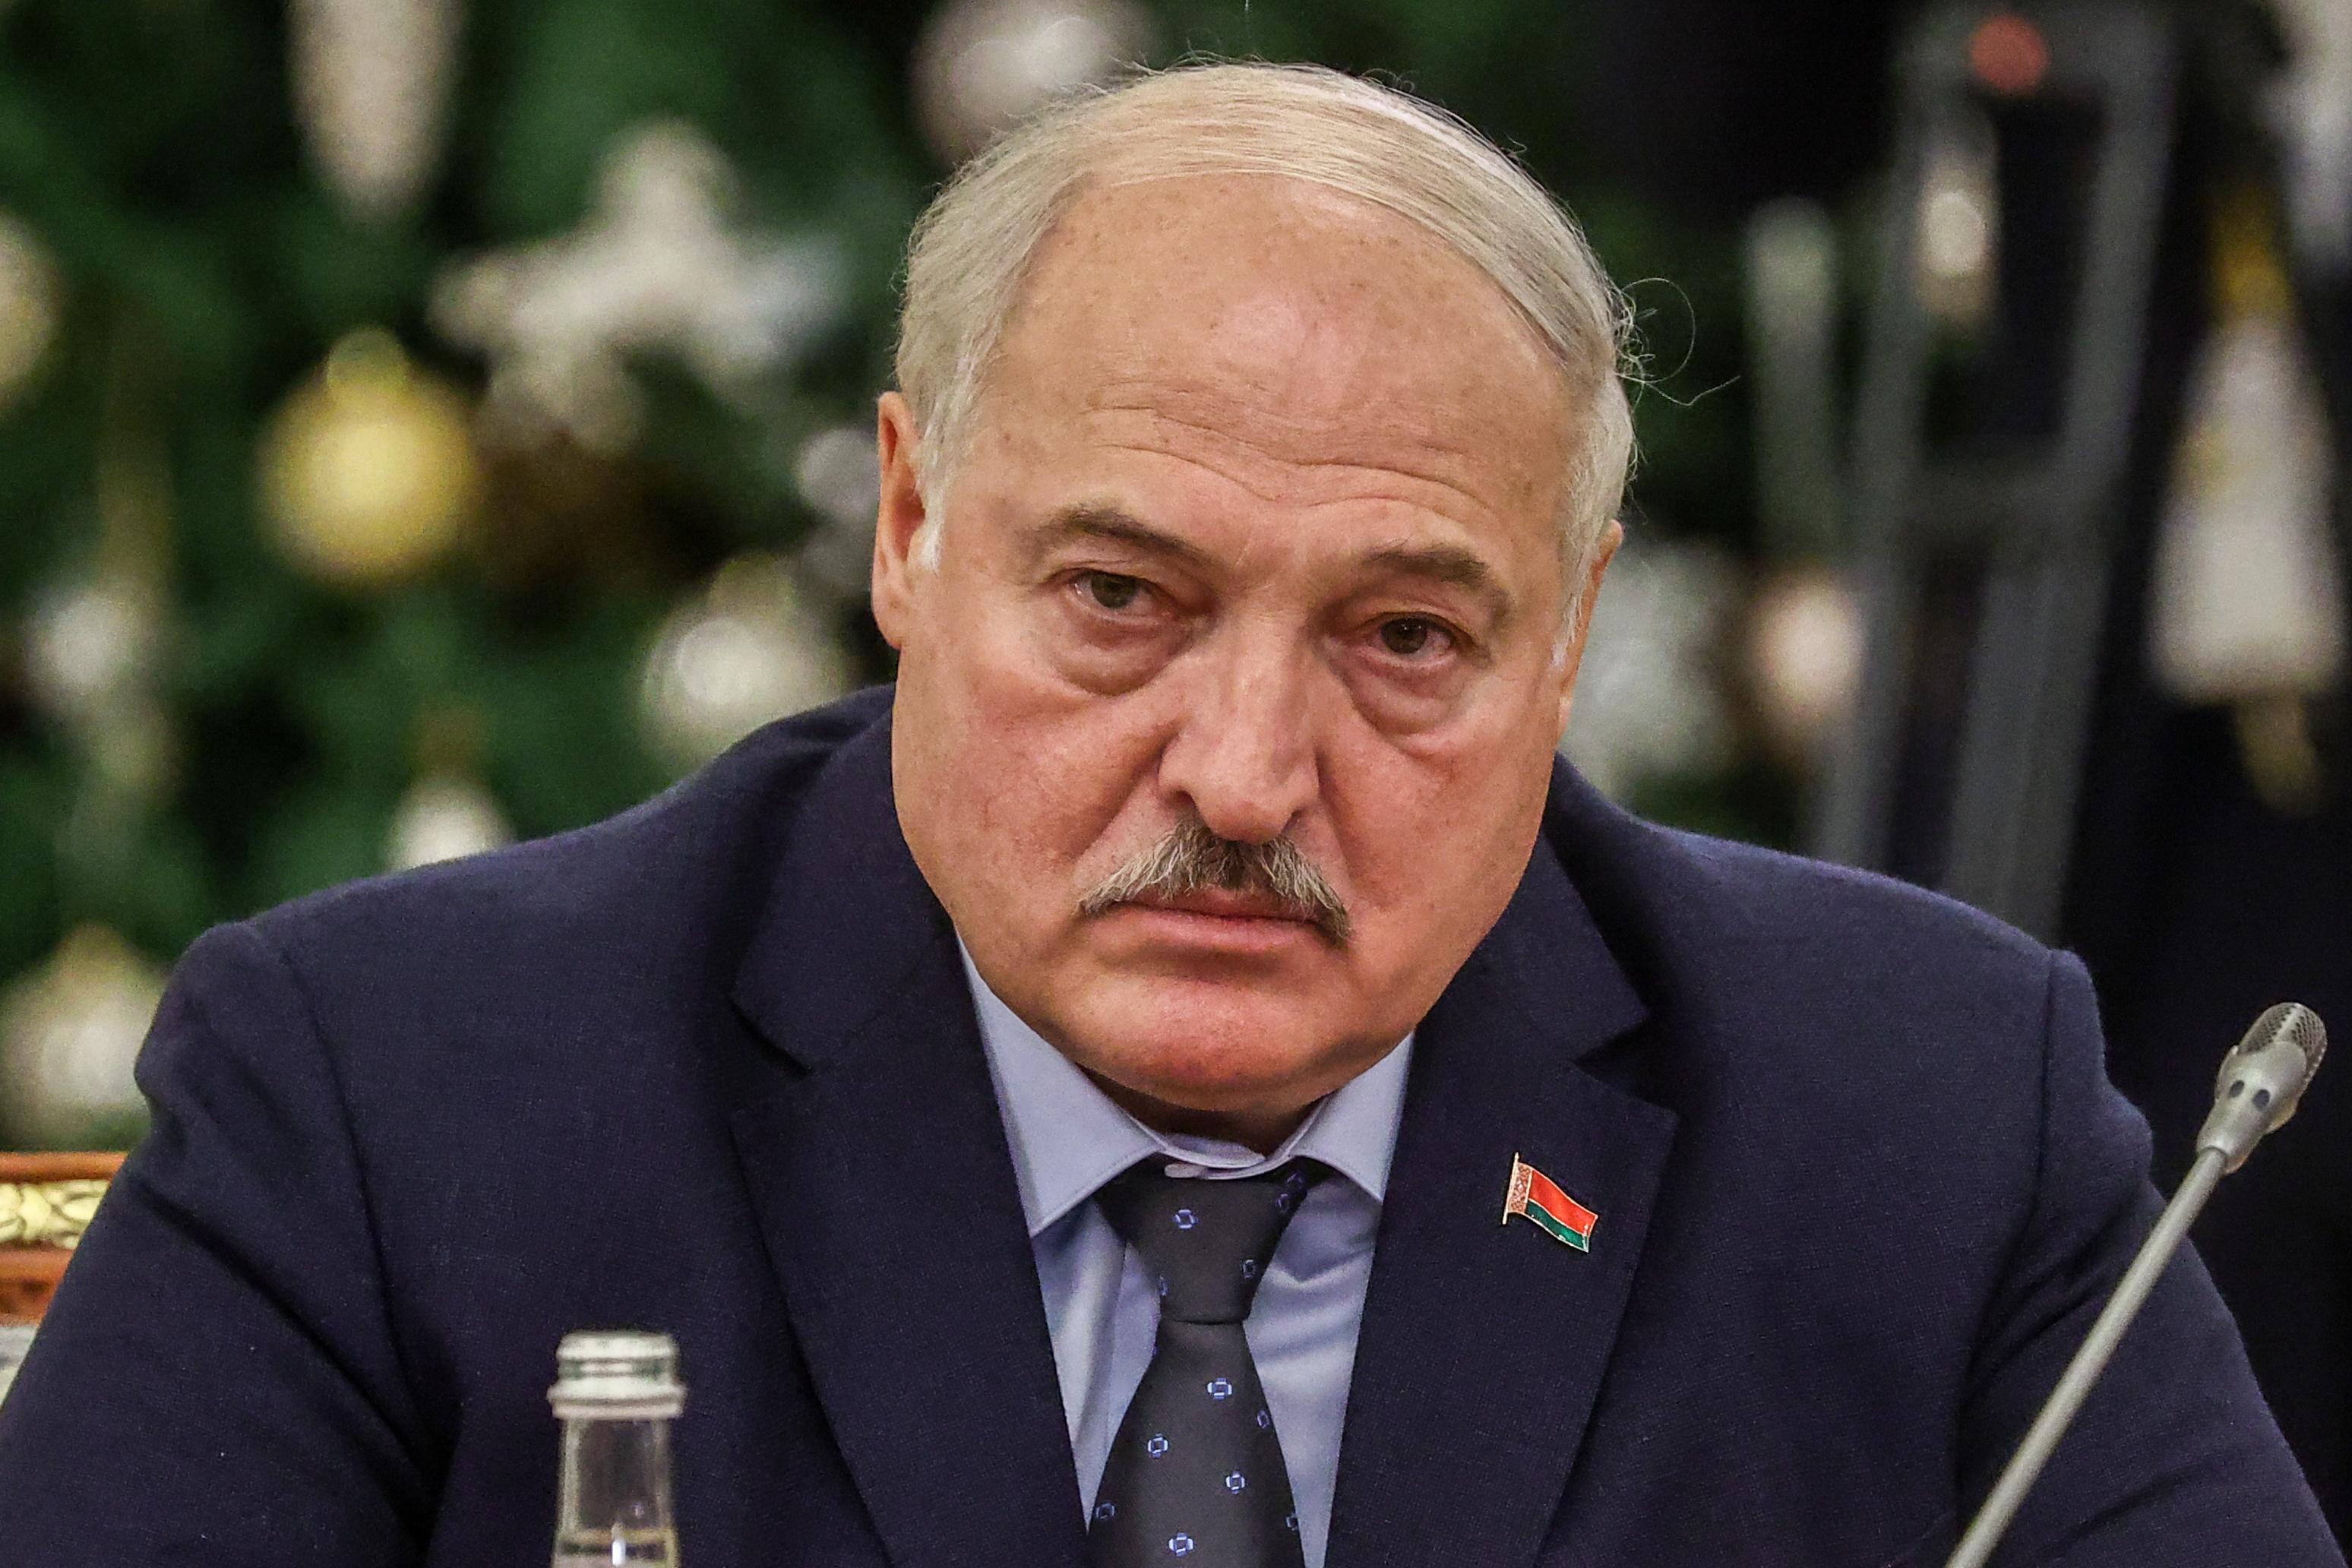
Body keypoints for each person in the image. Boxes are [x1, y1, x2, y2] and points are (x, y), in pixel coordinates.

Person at [0, 62, 2335, 1568]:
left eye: (1405, 637)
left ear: (1567, 633)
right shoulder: (396, 1096)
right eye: (1122, 599)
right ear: (910, 527)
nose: (1241, 773)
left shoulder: (1925, 1120)